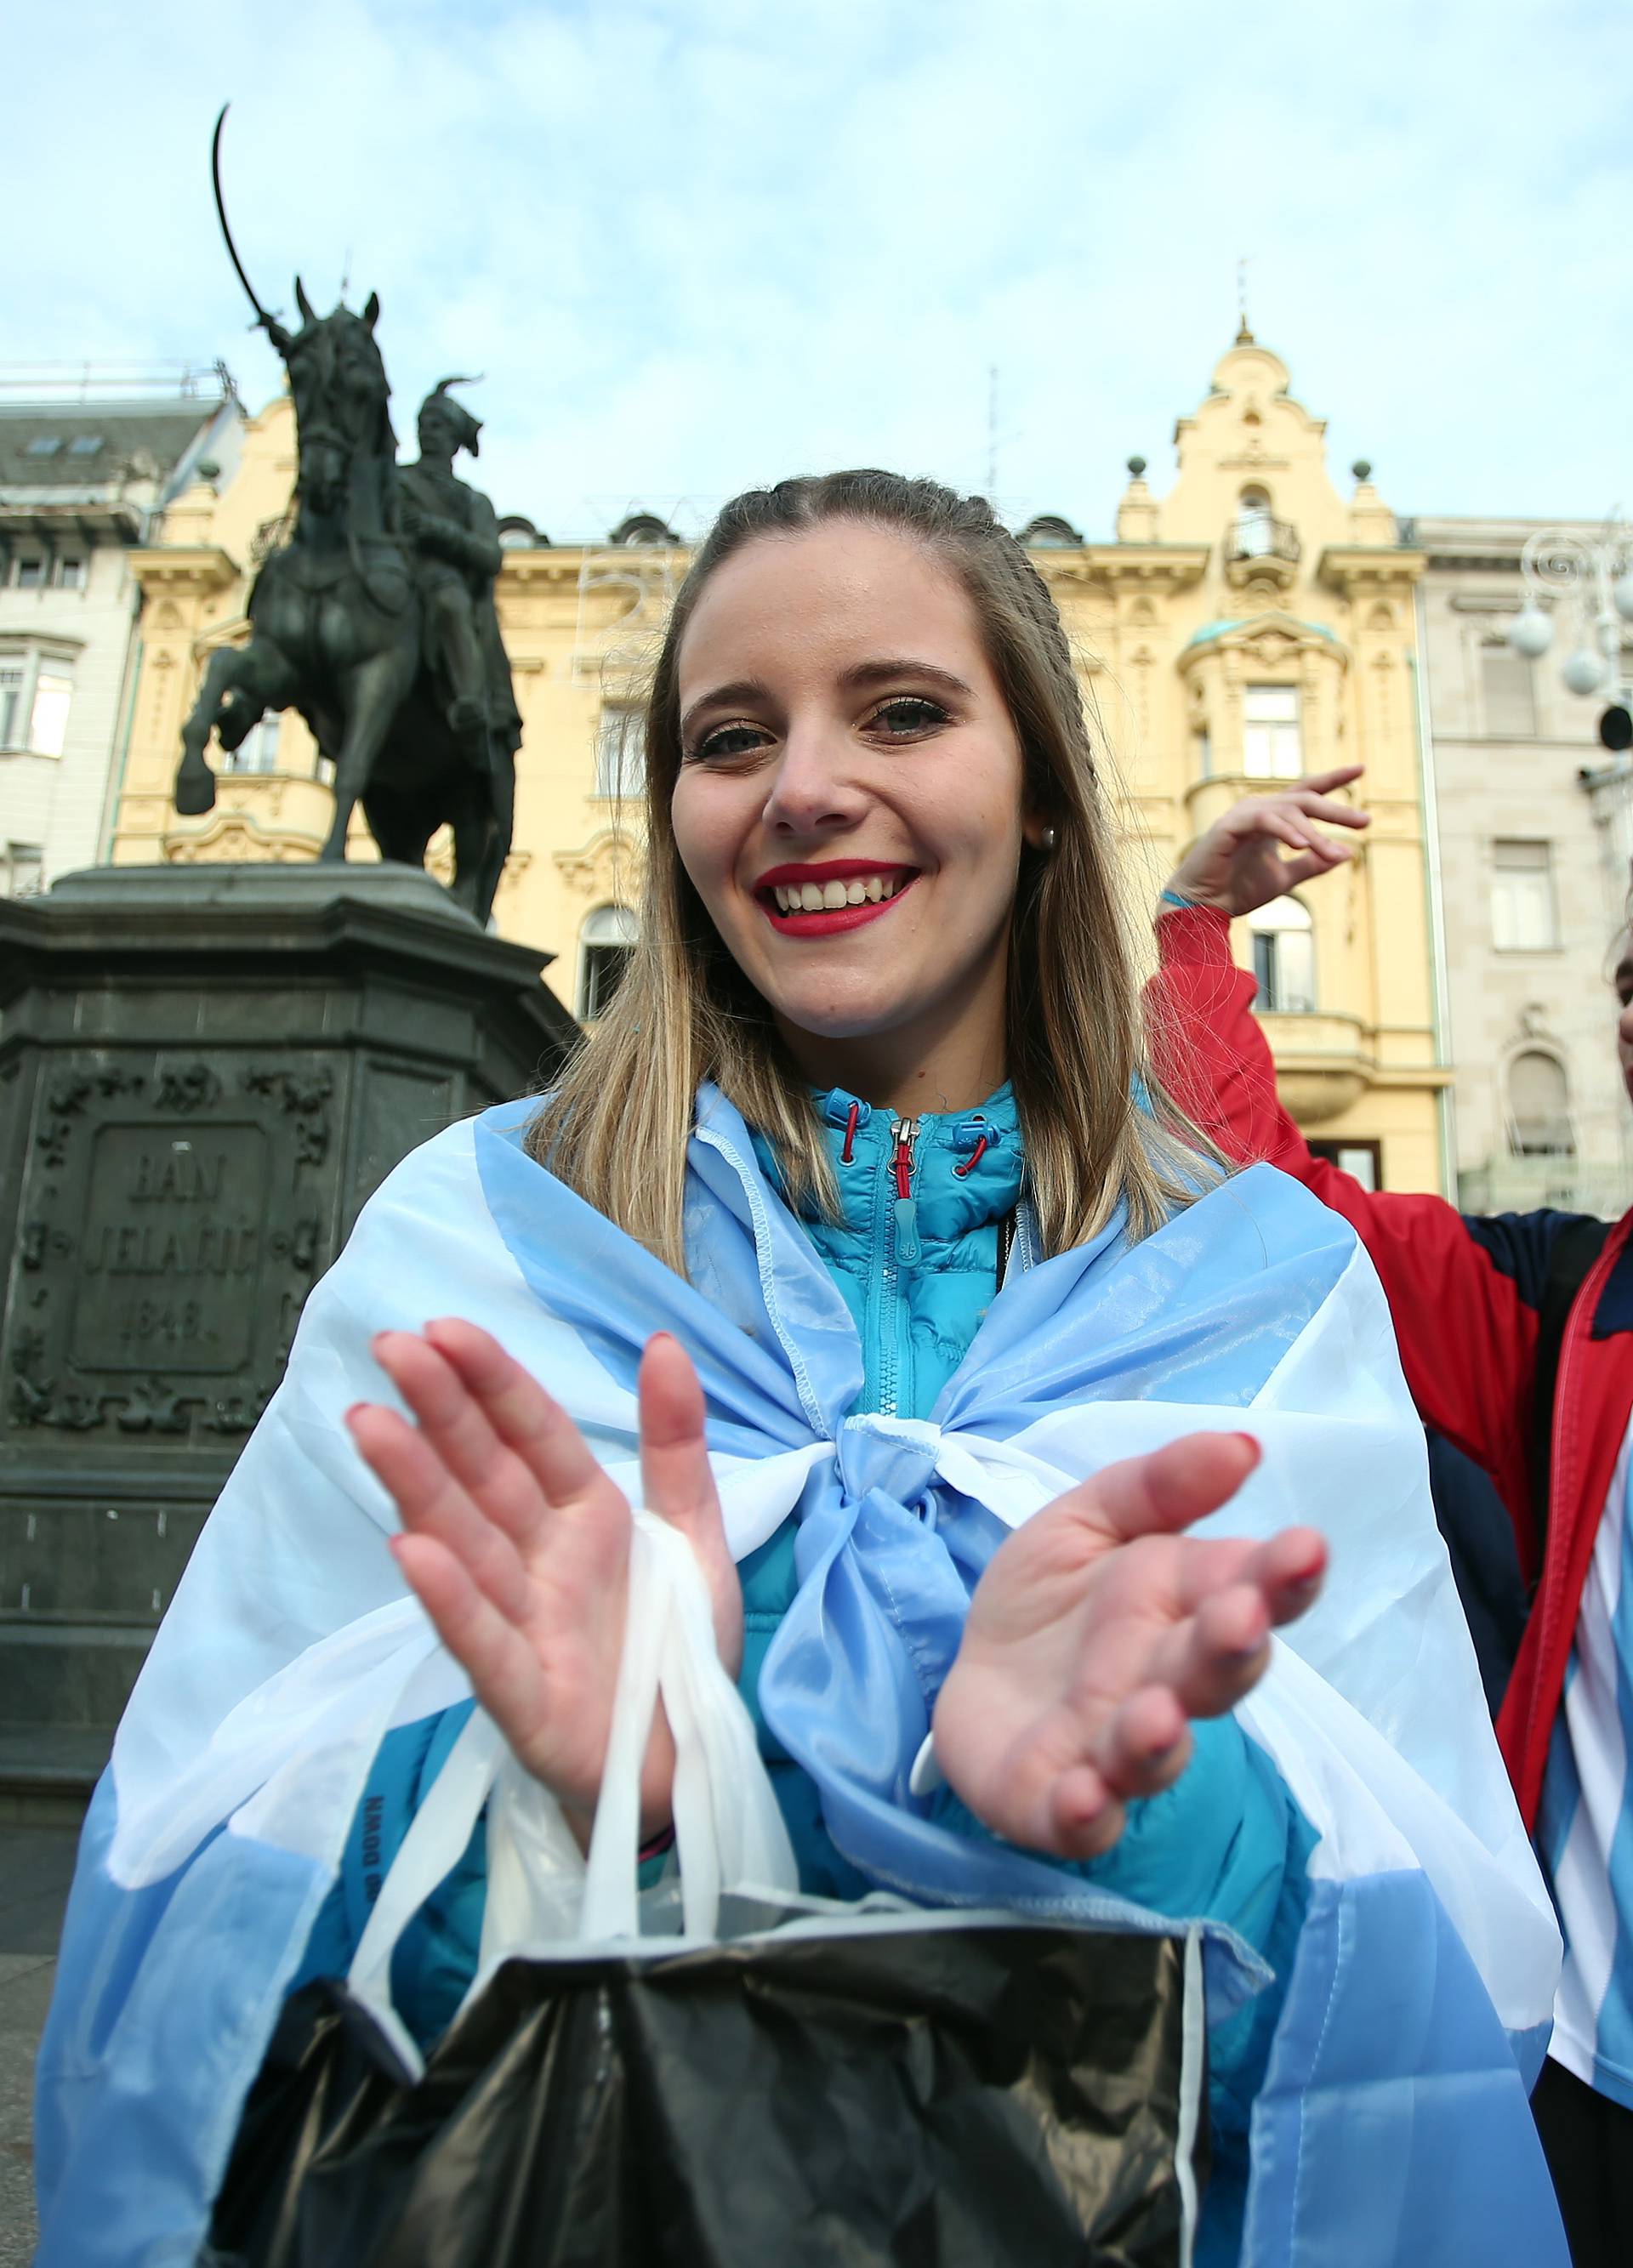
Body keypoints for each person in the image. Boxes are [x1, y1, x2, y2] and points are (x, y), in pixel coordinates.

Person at [37, 483, 1563, 2268]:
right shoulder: (482, 1235)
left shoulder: (1265, 1285)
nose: (802, 785)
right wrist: (545, 1797)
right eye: (729, 736)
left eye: (902, 711)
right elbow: (190, 1914)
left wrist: (1140, 1808)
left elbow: (1431, 1991)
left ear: (1048, 793)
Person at [1148, 762, 1633, 2267]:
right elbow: (1276, 1206)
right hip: (1587, 2085)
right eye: (1629, 980)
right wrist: (1194, 928)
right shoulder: (1567, 1306)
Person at [396, 376, 523, 762]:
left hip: (440, 583)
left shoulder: (470, 499)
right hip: (394, 578)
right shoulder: (395, 481)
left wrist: (438, 531)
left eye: (438, 426)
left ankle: (470, 699)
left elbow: (490, 556)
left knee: (449, 600)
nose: (428, 433)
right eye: (423, 425)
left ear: (454, 437)